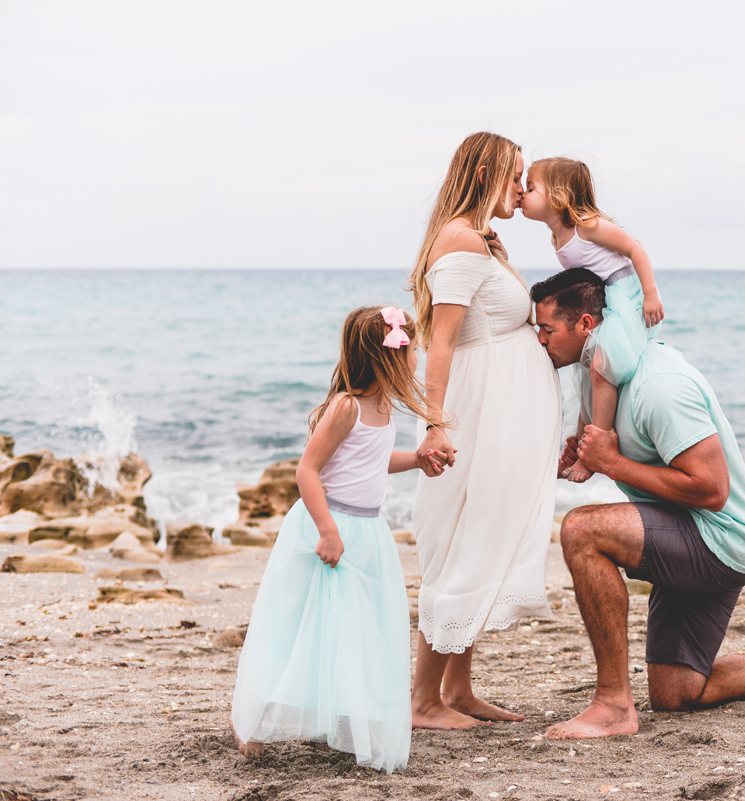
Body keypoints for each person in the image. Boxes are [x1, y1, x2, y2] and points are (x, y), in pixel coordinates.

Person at [531, 269, 745, 740]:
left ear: (586, 325)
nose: (539, 339)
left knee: (581, 529)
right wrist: (581, 459)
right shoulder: (598, 379)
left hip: (723, 538)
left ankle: (612, 704)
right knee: (676, 694)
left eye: (547, 329)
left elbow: (712, 489)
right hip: (686, 528)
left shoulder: (660, 387)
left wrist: (611, 463)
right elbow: (606, 455)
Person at [230, 305, 445, 773]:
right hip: (329, 529)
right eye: (413, 349)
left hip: (367, 530)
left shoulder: (383, 406)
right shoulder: (346, 406)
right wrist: (327, 530)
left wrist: (418, 460)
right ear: (392, 355)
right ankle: (254, 722)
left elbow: (372, 461)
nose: (418, 358)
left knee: (356, 627)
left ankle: (349, 722)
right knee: (299, 625)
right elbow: (307, 470)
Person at [407, 132, 562, 729]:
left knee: (483, 537)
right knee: (463, 546)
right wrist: (435, 425)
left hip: (497, 415)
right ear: (488, 174)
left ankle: (459, 690)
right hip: (476, 416)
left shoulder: (480, 241)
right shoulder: (463, 241)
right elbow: (439, 341)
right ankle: (423, 701)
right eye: (516, 177)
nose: (523, 190)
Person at [520, 157, 664, 484]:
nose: (522, 195)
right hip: (604, 298)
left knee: (601, 365)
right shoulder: (556, 234)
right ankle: (581, 445)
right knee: (583, 372)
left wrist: (651, 293)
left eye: (530, 188)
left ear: (557, 195)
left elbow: (635, 250)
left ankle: (599, 446)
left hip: (624, 294)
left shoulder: (586, 225)